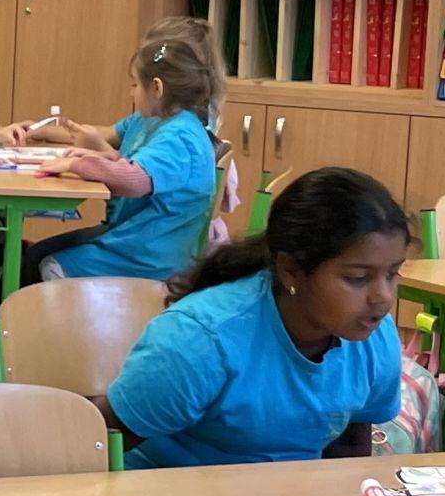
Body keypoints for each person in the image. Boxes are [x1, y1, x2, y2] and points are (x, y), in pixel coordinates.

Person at [102, 166, 409, 470]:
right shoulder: (200, 340)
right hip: (168, 493)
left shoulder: (374, 335)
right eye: (357, 278)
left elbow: (350, 448)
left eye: (392, 273)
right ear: (290, 270)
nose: (382, 297)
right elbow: (101, 442)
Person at [6, 33, 219, 284]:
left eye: (135, 85)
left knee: (48, 264)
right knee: (36, 255)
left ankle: (53, 312)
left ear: (157, 88)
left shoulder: (179, 136)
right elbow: (140, 166)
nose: (131, 93)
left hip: (148, 259)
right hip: (146, 243)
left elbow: (133, 179)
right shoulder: (174, 126)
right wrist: (99, 157)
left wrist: (77, 164)